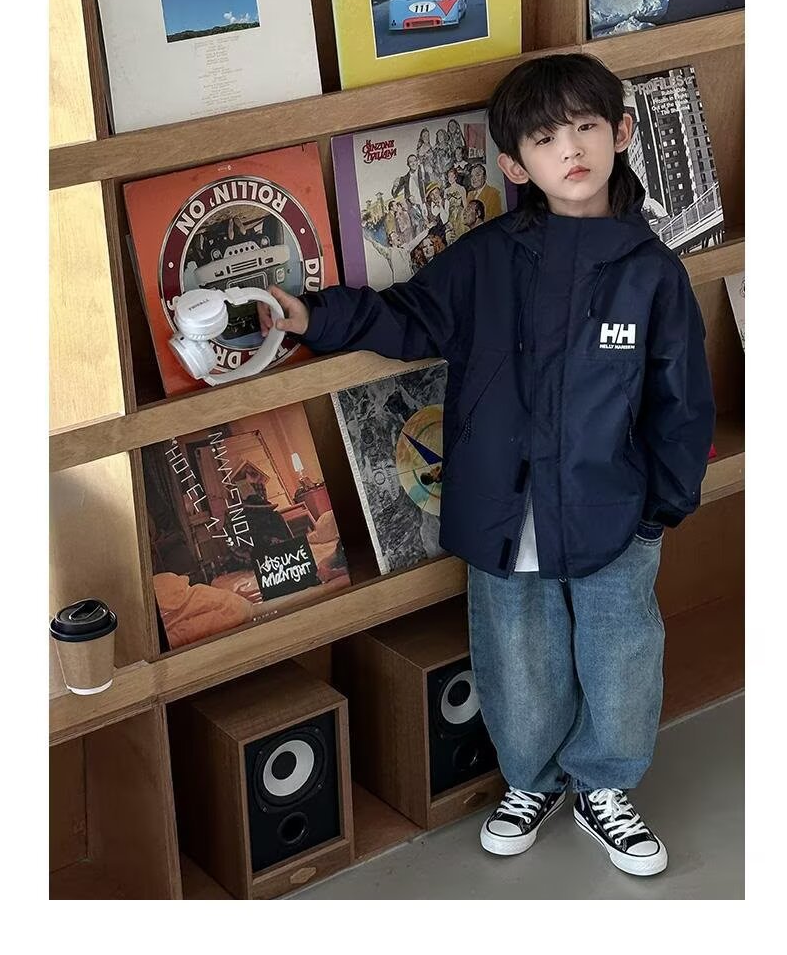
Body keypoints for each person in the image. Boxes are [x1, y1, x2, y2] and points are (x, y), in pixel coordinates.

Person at [257, 53, 715, 880]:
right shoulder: (489, 257)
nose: (570, 149)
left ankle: (606, 786)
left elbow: (682, 402)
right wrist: (311, 317)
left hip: (615, 512)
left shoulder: (652, 275)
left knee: (620, 653)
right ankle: (531, 779)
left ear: (621, 132)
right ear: (514, 165)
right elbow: (408, 317)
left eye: (586, 127)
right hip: (505, 510)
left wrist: (660, 508)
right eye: (545, 138)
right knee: (517, 654)